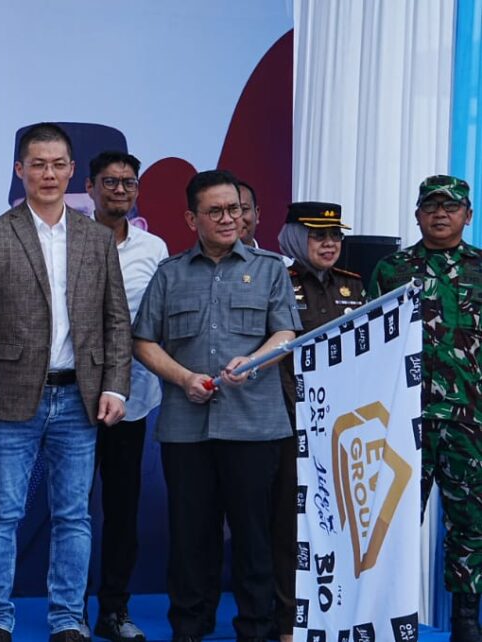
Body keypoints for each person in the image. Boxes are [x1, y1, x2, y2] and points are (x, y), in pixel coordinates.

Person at [0, 123, 132, 642]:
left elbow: (116, 320)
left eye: (58, 164)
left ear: (72, 171)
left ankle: (67, 620)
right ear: (19, 170)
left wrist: (116, 385)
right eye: (37, 164)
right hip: (12, 392)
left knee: (74, 516)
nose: (48, 174)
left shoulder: (96, 238)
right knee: (2, 513)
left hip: (80, 396)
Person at [132, 170, 299, 642]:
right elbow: (143, 341)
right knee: (190, 537)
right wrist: (183, 378)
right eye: (217, 211)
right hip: (186, 428)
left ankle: (256, 629)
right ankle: (189, 627)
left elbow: (286, 333)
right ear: (192, 219)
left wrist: (254, 360)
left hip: (255, 426)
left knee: (254, 537)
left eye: (236, 209)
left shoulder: (270, 268)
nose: (230, 219)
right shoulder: (170, 273)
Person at [370, 175, 482, 642]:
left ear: (467, 216)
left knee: (471, 522)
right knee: (392, 523)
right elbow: (370, 343)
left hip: (470, 421)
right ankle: (387, 614)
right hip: (404, 421)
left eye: (450, 207)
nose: (440, 214)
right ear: (417, 215)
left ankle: (465, 619)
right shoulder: (392, 270)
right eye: (431, 206)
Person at [86, 150, 169, 642]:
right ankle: (68, 612)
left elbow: (157, 319)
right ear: (90, 188)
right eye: (110, 181)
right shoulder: (71, 239)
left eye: (128, 182)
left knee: (121, 510)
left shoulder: (153, 248)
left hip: (131, 400)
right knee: (72, 512)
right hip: (74, 398)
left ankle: (114, 610)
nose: (120, 190)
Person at [275, 202, 364, 642]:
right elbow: (275, 358)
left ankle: (340, 612)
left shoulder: (355, 285)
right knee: (292, 525)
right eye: (318, 236)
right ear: (295, 237)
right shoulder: (279, 282)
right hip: (293, 422)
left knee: (343, 520)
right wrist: (300, 412)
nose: (329, 244)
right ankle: (290, 620)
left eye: (335, 236)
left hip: (345, 426)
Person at [238, 181, 261, 248]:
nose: (238, 219)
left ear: (257, 215)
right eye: (231, 211)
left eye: (244, 209)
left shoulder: (276, 256)